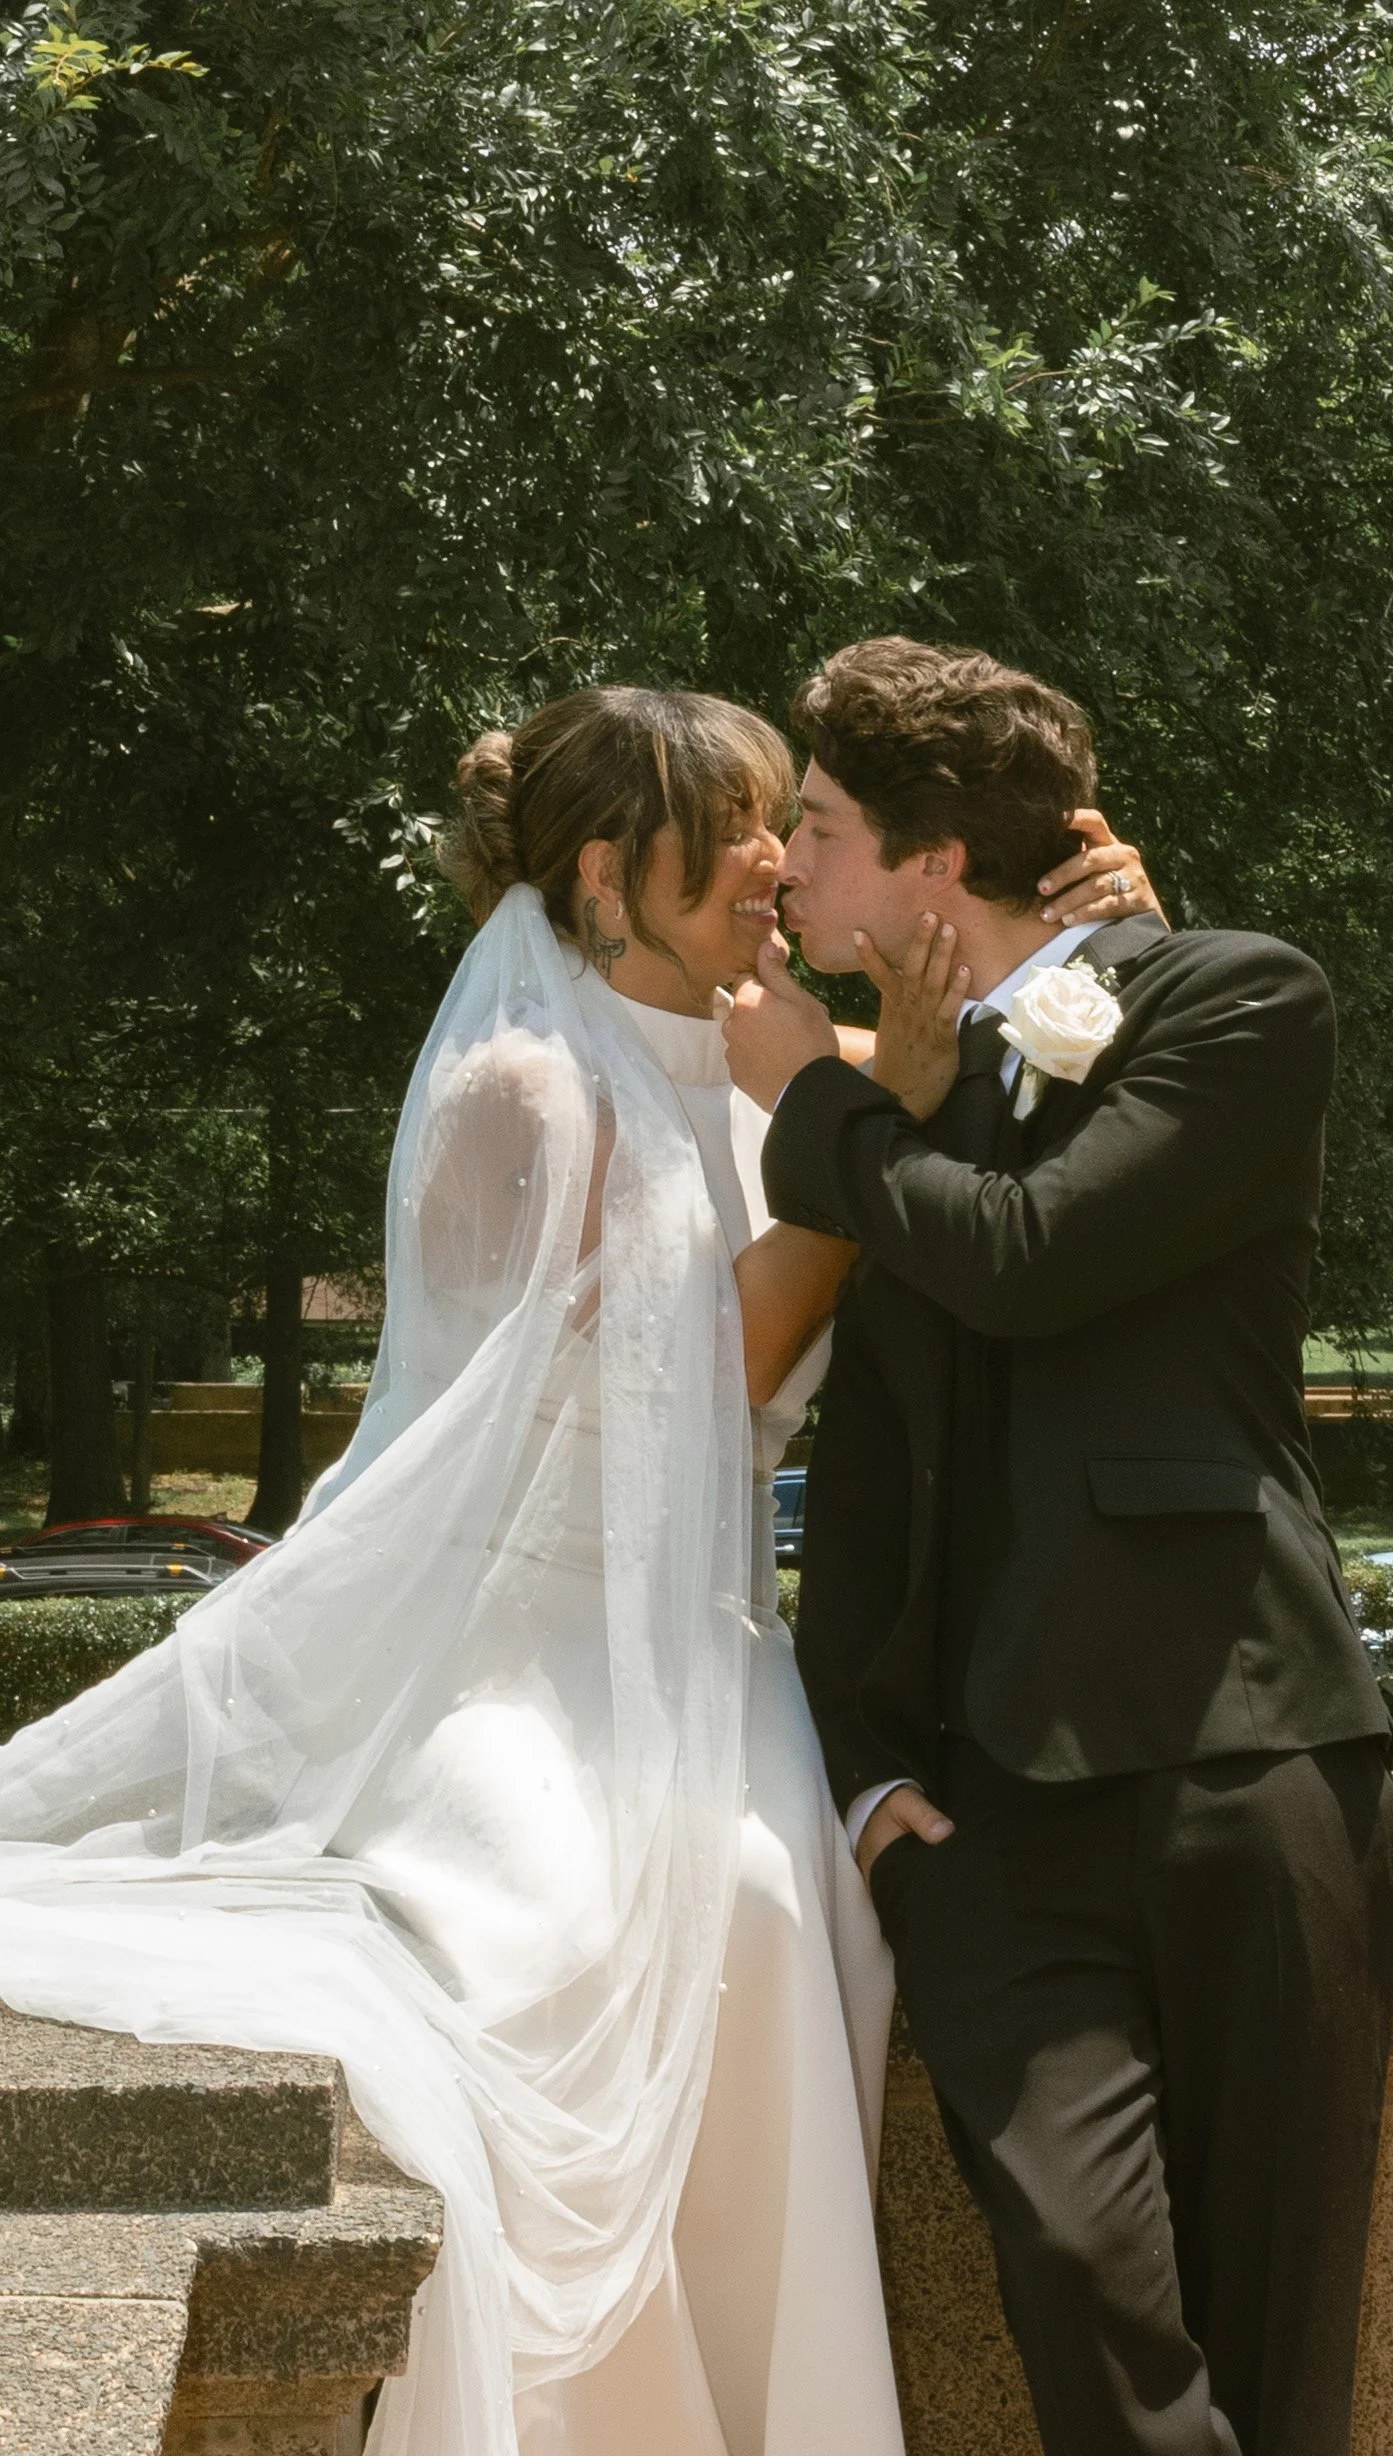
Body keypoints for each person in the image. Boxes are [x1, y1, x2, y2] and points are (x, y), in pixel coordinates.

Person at [0, 676, 1152, 2456]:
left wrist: (1106, 932)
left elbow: (1007, 1039)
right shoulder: (522, 1096)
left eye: (791, 813)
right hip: (519, 1641)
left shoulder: (789, 1068)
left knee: (786, 1916)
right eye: (741, 827)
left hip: (700, 1645)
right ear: (612, 877)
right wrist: (881, 1141)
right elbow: (714, 1383)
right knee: (588, 1941)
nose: (778, 858)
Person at [723, 636, 1393, 2456]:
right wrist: (871, 1786)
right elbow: (868, 1472)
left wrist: (823, 1094)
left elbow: (1030, 1257)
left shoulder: (1240, 998)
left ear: (938, 861)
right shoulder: (899, 1097)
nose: (785, 864)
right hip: (988, 1834)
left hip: (1249, 1762)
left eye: (821, 823)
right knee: (1088, 2310)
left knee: (1280, 2362)